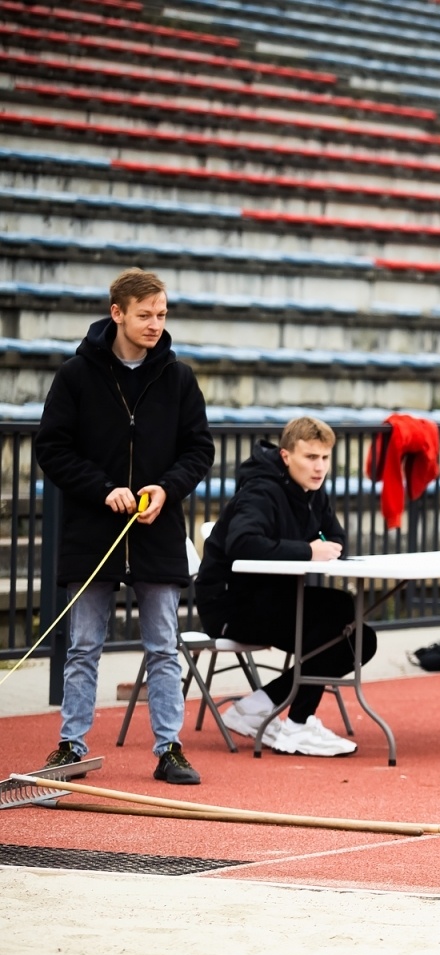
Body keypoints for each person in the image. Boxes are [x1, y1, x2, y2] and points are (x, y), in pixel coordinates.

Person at [35, 268, 215, 784]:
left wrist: (166, 488)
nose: (156, 324)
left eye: (161, 314)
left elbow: (199, 448)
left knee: (163, 646)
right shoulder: (75, 375)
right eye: (145, 315)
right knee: (83, 645)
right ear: (117, 313)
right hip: (93, 532)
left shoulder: (179, 378)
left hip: (158, 532)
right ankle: (70, 745)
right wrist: (101, 488)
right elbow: (52, 448)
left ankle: (170, 749)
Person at [194, 417, 374, 755]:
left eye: (324, 458)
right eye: (310, 458)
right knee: (335, 616)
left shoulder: (311, 491)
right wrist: (307, 550)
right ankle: (297, 724)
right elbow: (243, 542)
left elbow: (335, 538)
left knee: (362, 637)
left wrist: (322, 546)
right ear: (286, 455)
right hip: (231, 606)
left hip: (274, 598)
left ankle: (259, 707)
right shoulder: (261, 491)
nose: (319, 467)